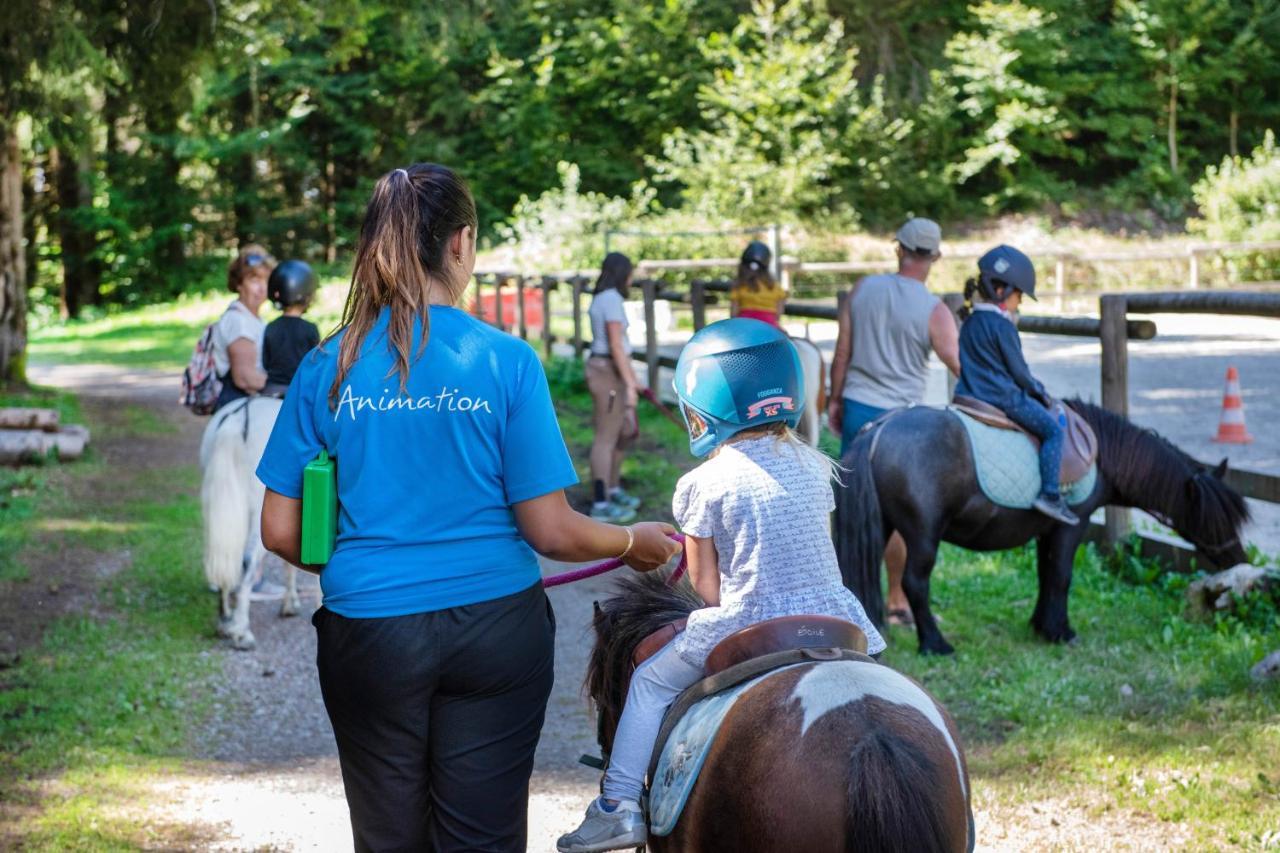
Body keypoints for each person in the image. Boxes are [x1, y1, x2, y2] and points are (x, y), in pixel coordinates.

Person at [256, 163, 683, 853]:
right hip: (495, 633)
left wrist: (368, 561)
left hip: (368, 633)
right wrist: (634, 539)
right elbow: (549, 528)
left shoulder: (326, 364)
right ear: (460, 244)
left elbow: (280, 526)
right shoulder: (507, 361)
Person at [558, 319, 886, 853]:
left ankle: (617, 806)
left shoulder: (701, 484)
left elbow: (709, 590)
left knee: (649, 682)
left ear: (702, 407)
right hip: (834, 619)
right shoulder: (815, 464)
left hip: (752, 622)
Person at [827, 217, 960, 626]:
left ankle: (846, 602)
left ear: (898, 248)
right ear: (935, 257)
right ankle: (897, 598)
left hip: (859, 410)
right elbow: (959, 365)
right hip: (900, 423)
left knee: (852, 511)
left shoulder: (863, 290)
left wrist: (835, 400)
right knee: (899, 517)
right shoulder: (934, 311)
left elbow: (842, 352)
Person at [955, 245, 1078, 525]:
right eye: (1020, 295)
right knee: (1053, 432)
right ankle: (1050, 495)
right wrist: (1040, 392)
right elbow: (1020, 374)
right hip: (1004, 399)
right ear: (1002, 291)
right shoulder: (1003, 326)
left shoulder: (970, 320)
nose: (1020, 302)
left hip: (968, 394)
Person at [586, 252, 643, 523]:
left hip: (613, 369)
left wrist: (630, 377)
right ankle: (600, 503)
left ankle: (612, 488)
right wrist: (630, 382)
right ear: (623, 273)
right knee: (606, 437)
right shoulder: (610, 299)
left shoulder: (606, 298)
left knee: (623, 432)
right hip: (607, 370)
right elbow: (616, 344)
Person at [211, 245, 274, 412]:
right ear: (239, 283)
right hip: (237, 408)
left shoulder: (254, 319)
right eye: (254, 280)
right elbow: (244, 378)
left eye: (266, 280)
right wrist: (287, 387)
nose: (262, 288)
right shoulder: (238, 320)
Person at [261, 259, 321, 396]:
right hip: (298, 389)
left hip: (271, 390)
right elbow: (315, 363)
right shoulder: (310, 329)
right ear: (307, 296)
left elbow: (265, 363)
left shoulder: (270, 327)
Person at [728, 240, 785, 326]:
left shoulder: (739, 286)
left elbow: (733, 314)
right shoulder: (775, 287)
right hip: (768, 327)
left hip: (744, 326)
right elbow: (778, 315)